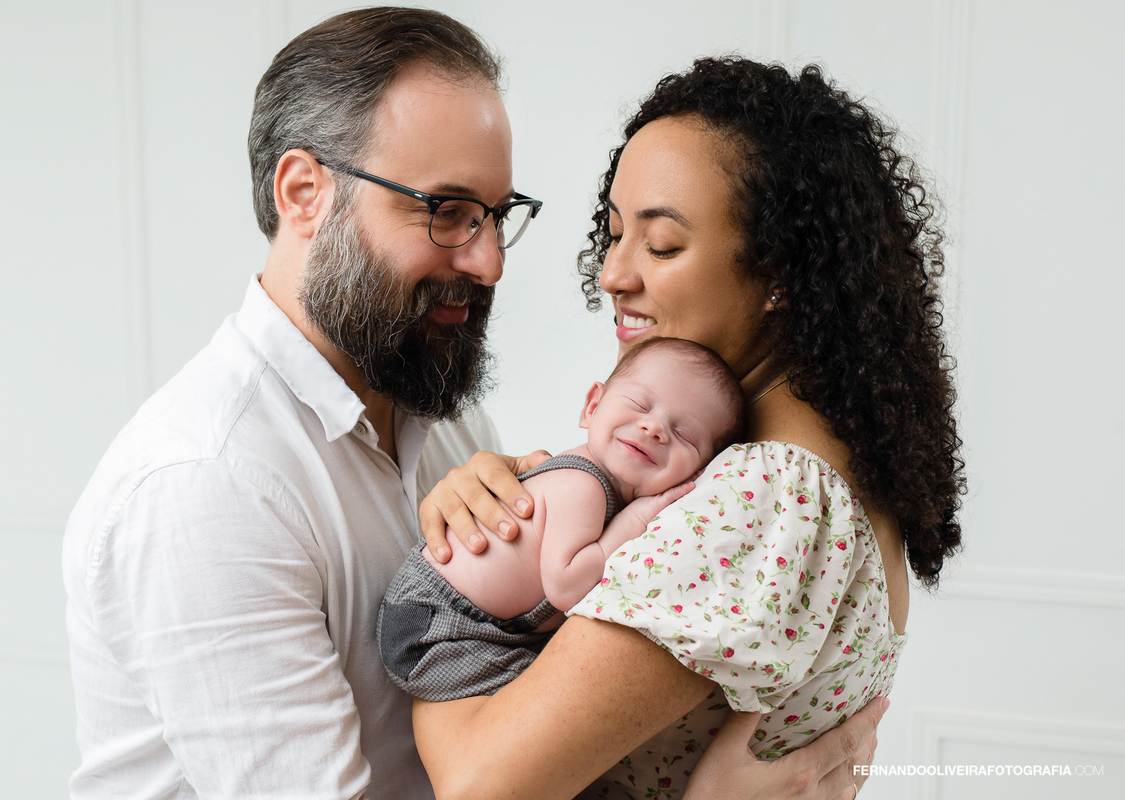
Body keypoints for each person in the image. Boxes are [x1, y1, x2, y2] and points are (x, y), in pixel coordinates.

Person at [63, 6, 880, 797]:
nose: (488, 260)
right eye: (446, 212)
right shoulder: (207, 486)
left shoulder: (448, 419)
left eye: (496, 215)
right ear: (304, 192)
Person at [414, 56, 963, 800]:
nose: (613, 274)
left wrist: (445, 609)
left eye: (662, 244)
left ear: (780, 271)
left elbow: (479, 787)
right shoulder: (812, 473)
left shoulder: (767, 496)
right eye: (612, 235)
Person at [379, 337, 746, 702]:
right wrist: (635, 520)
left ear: (698, 473)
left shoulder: (595, 488)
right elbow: (566, 586)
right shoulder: (583, 486)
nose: (654, 428)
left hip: (468, 624)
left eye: (684, 435)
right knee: (549, 700)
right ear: (592, 406)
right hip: (437, 626)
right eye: (639, 404)